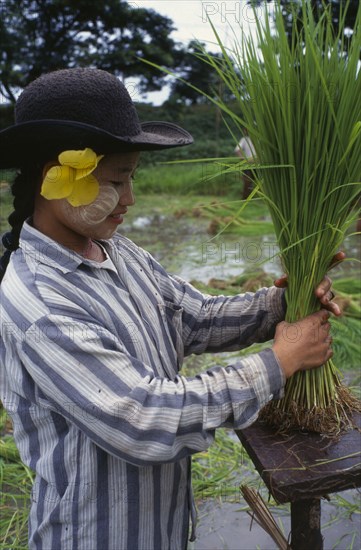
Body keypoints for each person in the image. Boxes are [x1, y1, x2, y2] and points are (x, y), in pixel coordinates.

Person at [0, 68, 339, 550]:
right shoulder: (40, 303)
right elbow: (142, 418)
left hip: (161, 529)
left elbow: (195, 317)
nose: (131, 200)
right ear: (55, 179)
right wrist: (279, 362)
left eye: (133, 178)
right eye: (118, 180)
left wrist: (283, 302)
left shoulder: (119, 252)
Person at [234, 129, 257, 200]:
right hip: (248, 164)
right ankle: (246, 199)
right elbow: (237, 150)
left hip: (261, 164)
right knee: (247, 182)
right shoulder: (244, 140)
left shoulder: (260, 139)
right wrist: (243, 159)